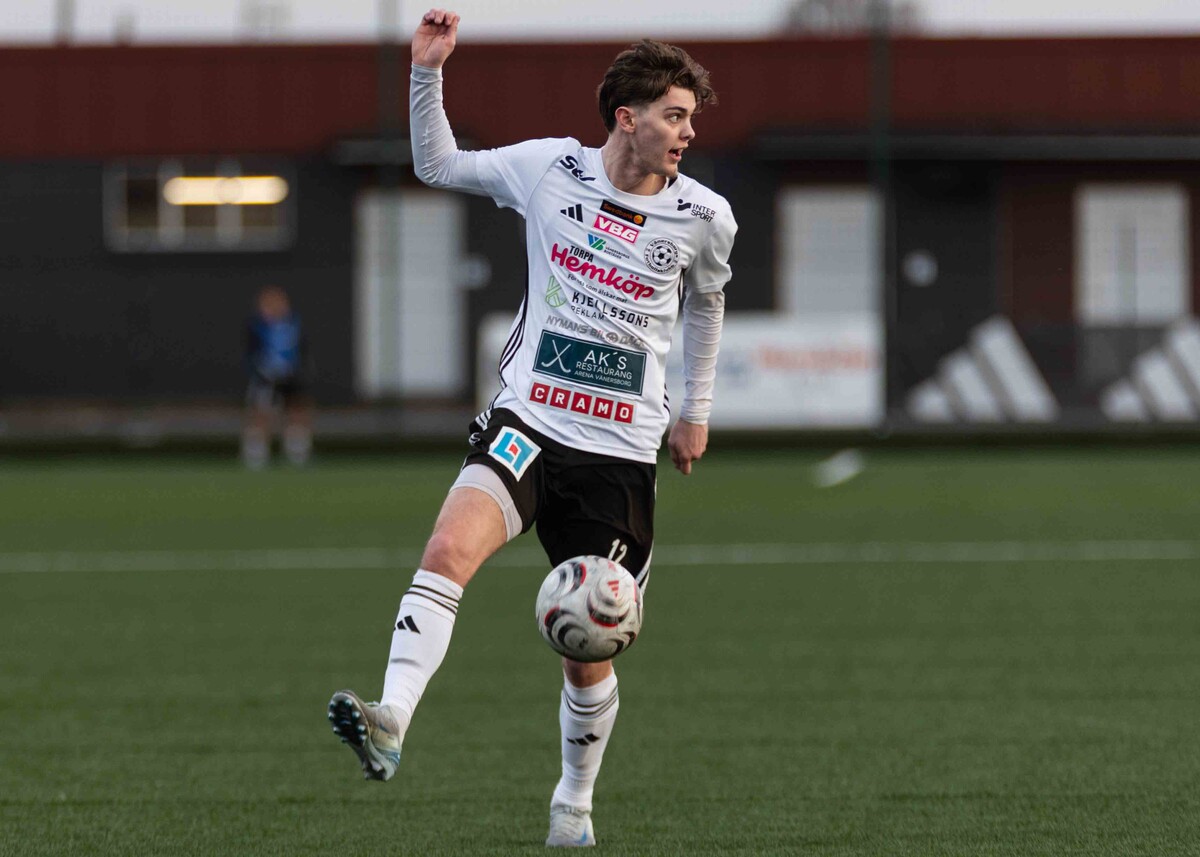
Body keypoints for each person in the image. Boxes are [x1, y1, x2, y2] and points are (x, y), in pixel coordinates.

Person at [328, 8, 736, 847]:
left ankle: (572, 803)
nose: (688, 133)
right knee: (448, 549)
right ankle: (392, 717)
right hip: (530, 420)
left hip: (619, 455)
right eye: (674, 115)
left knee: (588, 647)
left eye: (691, 118)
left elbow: (707, 305)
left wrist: (693, 411)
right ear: (626, 117)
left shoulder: (705, 214)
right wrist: (427, 71)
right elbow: (438, 164)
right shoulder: (550, 168)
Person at [241, 284, 312, 468]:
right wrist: (259, 371)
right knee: (261, 412)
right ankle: (256, 453)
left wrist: (299, 371)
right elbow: (250, 353)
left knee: (296, 410)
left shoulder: (294, 323)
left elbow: (302, 350)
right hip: (264, 376)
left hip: (290, 375)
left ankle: (297, 451)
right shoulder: (256, 326)